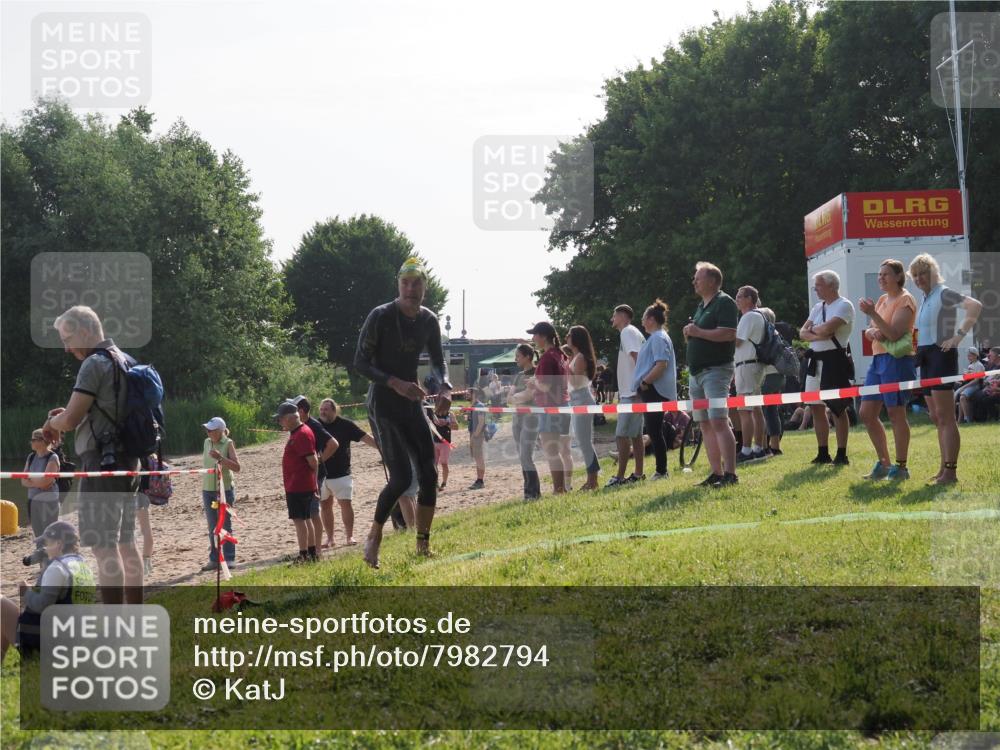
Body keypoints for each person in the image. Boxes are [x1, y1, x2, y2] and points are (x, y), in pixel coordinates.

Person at [354, 258, 451, 568]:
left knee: (429, 473)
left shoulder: (429, 320)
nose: (411, 289)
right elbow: (360, 362)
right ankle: (374, 536)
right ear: (398, 285)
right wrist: (393, 382)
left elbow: (438, 361)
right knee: (401, 478)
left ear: (425, 287)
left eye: (417, 283)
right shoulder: (381, 316)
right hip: (383, 404)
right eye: (405, 283)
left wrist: (445, 388)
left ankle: (422, 544)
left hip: (410, 402)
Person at [43, 305, 142, 604]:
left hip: (101, 463)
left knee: (103, 546)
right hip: (127, 462)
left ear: (86, 330)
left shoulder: (93, 364)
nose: (66, 347)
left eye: (67, 338)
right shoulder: (124, 359)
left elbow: (70, 421)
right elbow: (105, 411)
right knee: (126, 542)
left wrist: (51, 423)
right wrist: (70, 415)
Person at [909, 253, 983, 484]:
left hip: (941, 356)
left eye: (923, 273)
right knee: (936, 417)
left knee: (946, 417)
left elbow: (975, 306)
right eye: (915, 275)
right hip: (926, 357)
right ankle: (943, 469)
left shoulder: (943, 292)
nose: (919, 278)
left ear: (932, 272)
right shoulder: (925, 297)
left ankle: (951, 471)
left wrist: (957, 338)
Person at [857, 259, 917, 480]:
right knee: (866, 413)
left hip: (897, 361)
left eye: (886, 275)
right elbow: (874, 330)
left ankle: (901, 467)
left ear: (899, 277)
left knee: (895, 412)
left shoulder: (906, 300)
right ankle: (884, 463)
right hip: (878, 359)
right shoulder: (882, 299)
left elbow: (893, 334)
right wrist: (870, 331)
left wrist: (873, 317)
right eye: (879, 274)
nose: (881, 278)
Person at [683, 262, 739, 488]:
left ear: (712, 281)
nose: (694, 281)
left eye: (698, 277)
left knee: (718, 421)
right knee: (704, 423)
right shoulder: (702, 305)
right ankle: (716, 472)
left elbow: (728, 334)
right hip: (697, 373)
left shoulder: (725, 302)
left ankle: (730, 474)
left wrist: (697, 332)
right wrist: (692, 334)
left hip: (715, 370)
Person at [6, 521, 95, 658]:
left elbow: (42, 606)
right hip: (76, 640)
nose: (44, 549)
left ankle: (25, 653)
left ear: (58, 544)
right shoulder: (84, 567)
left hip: (51, 643)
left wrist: (26, 592)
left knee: (1, 605)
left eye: (47, 544)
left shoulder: (57, 568)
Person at [799, 270, 855, 468]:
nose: (816, 289)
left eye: (819, 285)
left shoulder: (844, 306)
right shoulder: (817, 307)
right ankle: (823, 452)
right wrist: (817, 334)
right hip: (816, 360)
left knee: (838, 408)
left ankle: (842, 453)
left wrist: (815, 331)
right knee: (815, 406)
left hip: (834, 360)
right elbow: (802, 332)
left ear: (832, 285)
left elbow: (827, 329)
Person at [318, 398, 378, 546]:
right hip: (321, 474)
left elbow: (365, 437)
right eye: (321, 409)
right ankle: (330, 539)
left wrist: (382, 448)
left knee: (345, 504)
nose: (323, 412)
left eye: (326, 409)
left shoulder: (345, 425)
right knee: (325, 506)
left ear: (334, 410)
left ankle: (349, 536)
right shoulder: (316, 425)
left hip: (341, 473)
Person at [633, 300, 678, 480]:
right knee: (653, 430)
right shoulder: (657, 337)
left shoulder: (658, 337)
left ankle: (661, 470)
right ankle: (661, 469)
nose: (642, 322)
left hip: (654, 389)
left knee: (654, 431)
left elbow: (661, 364)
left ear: (651, 319)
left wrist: (645, 382)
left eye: (644, 318)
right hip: (652, 389)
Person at [526, 322, 571, 494]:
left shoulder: (547, 357)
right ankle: (560, 489)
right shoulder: (560, 354)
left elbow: (545, 386)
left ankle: (558, 490)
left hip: (550, 407)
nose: (533, 338)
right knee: (557, 451)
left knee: (551, 452)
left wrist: (533, 381)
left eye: (535, 334)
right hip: (562, 405)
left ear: (543, 336)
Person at [275, 401, 321, 562]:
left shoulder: (301, 434)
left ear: (289, 418)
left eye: (280, 419)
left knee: (299, 520)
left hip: (300, 485)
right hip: (300, 484)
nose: (279, 422)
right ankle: (311, 554)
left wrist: (312, 483)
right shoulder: (299, 432)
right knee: (306, 519)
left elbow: (313, 461)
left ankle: (304, 555)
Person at [290, 396, 339, 548]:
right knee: (306, 514)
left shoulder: (313, 426)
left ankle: (316, 549)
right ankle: (311, 547)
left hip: (314, 474)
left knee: (313, 513)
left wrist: (318, 461)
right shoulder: (298, 426)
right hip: (303, 475)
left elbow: (333, 443)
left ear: (301, 411)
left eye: (293, 409)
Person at [607, 304, 646, 487]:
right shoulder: (634, 332)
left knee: (622, 435)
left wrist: (640, 387)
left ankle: (620, 477)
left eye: (614, 315)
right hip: (634, 391)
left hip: (632, 393)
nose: (612, 319)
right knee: (636, 436)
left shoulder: (627, 332)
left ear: (623, 316)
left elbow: (637, 357)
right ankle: (638, 473)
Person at [200, 417, 242, 571]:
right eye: (207, 430)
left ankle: (230, 558)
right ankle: (214, 559)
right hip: (207, 489)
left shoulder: (228, 443)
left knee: (225, 524)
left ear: (219, 431)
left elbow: (237, 467)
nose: (208, 432)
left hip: (225, 490)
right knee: (212, 527)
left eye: (210, 430)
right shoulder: (206, 442)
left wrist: (220, 458)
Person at [734, 286, 769, 463]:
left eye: (739, 296)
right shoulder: (759, 316)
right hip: (754, 365)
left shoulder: (748, 317)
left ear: (749, 299)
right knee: (755, 408)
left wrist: (721, 333)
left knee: (744, 410)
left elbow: (737, 341)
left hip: (746, 366)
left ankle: (746, 450)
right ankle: (758, 448)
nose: (736, 300)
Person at [567, 325, 601, 490]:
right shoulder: (575, 356)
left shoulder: (580, 357)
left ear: (576, 338)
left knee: (584, 442)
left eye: (569, 335)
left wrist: (565, 368)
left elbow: (575, 382)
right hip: (576, 400)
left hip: (582, 399)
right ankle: (591, 478)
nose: (566, 337)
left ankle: (593, 480)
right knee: (583, 442)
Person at [508, 343, 541, 500]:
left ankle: (533, 492)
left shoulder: (536, 373)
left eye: (518, 356)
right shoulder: (518, 376)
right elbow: (510, 398)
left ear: (528, 357)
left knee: (526, 455)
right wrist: (517, 398)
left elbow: (530, 395)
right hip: (517, 418)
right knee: (522, 456)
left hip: (531, 418)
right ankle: (528, 491)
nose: (516, 359)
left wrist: (517, 398)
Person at [21, 429, 61, 552]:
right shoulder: (31, 456)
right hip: (33, 500)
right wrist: (39, 481)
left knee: (50, 533)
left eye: (33, 440)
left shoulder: (52, 457)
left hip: (49, 500)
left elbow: (46, 481)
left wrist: (31, 480)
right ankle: (42, 564)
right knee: (38, 534)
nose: (31, 442)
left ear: (42, 441)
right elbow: (23, 481)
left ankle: (54, 561)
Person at [758, 308, 786, 456]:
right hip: (778, 375)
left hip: (767, 375)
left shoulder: (764, 334)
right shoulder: (777, 333)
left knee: (763, 411)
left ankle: (764, 446)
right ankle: (775, 445)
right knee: (772, 411)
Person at [960, 347, 1000, 423]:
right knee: (972, 395)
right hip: (986, 386)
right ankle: (971, 419)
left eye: (990, 355)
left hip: (994, 389)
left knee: (978, 396)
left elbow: (992, 380)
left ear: (997, 356)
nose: (988, 357)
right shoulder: (991, 365)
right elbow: (985, 378)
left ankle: (980, 419)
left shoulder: (984, 365)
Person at [427, 394, 458, 491]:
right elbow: (430, 427)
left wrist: (447, 423)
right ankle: (435, 483)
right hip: (435, 442)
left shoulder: (450, 414)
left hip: (445, 443)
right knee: (434, 464)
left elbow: (456, 427)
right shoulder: (434, 414)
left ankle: (444, 483)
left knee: (444, 463)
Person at [955, 348, 985, 418]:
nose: (969, 358)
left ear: (976, 355)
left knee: (962, 397)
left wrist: (964, 387)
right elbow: (968, 378)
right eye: (968, 356)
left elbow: (976, 380)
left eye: (970, 356)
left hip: (976, 385)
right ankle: (960, 419)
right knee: (959, 396)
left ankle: (967, 418)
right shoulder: (970, 365)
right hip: (970, 384)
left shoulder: (979, 365)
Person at [467, 388, 487, 489]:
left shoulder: (480, 406)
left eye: (468, 393)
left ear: (474, 394)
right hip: (473, 434)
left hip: (477, 435)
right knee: (477, 458)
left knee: (479, 458)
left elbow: (481, 422)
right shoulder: (473, 406)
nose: (466, 395)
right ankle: (479, 479)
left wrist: (474, 436)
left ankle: (480, 481)